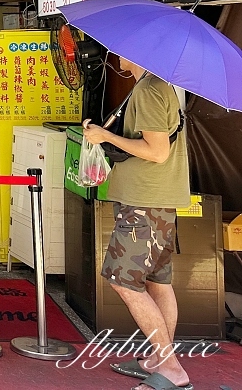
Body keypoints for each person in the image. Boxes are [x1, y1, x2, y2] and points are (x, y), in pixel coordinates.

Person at [83, 56, 192, 390]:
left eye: (120, 49)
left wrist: (106, 137)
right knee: (157, 282)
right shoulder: (158, 86)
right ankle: (160, 360)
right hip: (158, 202)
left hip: (144, 205)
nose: (115, 56)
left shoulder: (149, 90)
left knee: (123, 281)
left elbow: (156, 151)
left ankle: (172, 369)